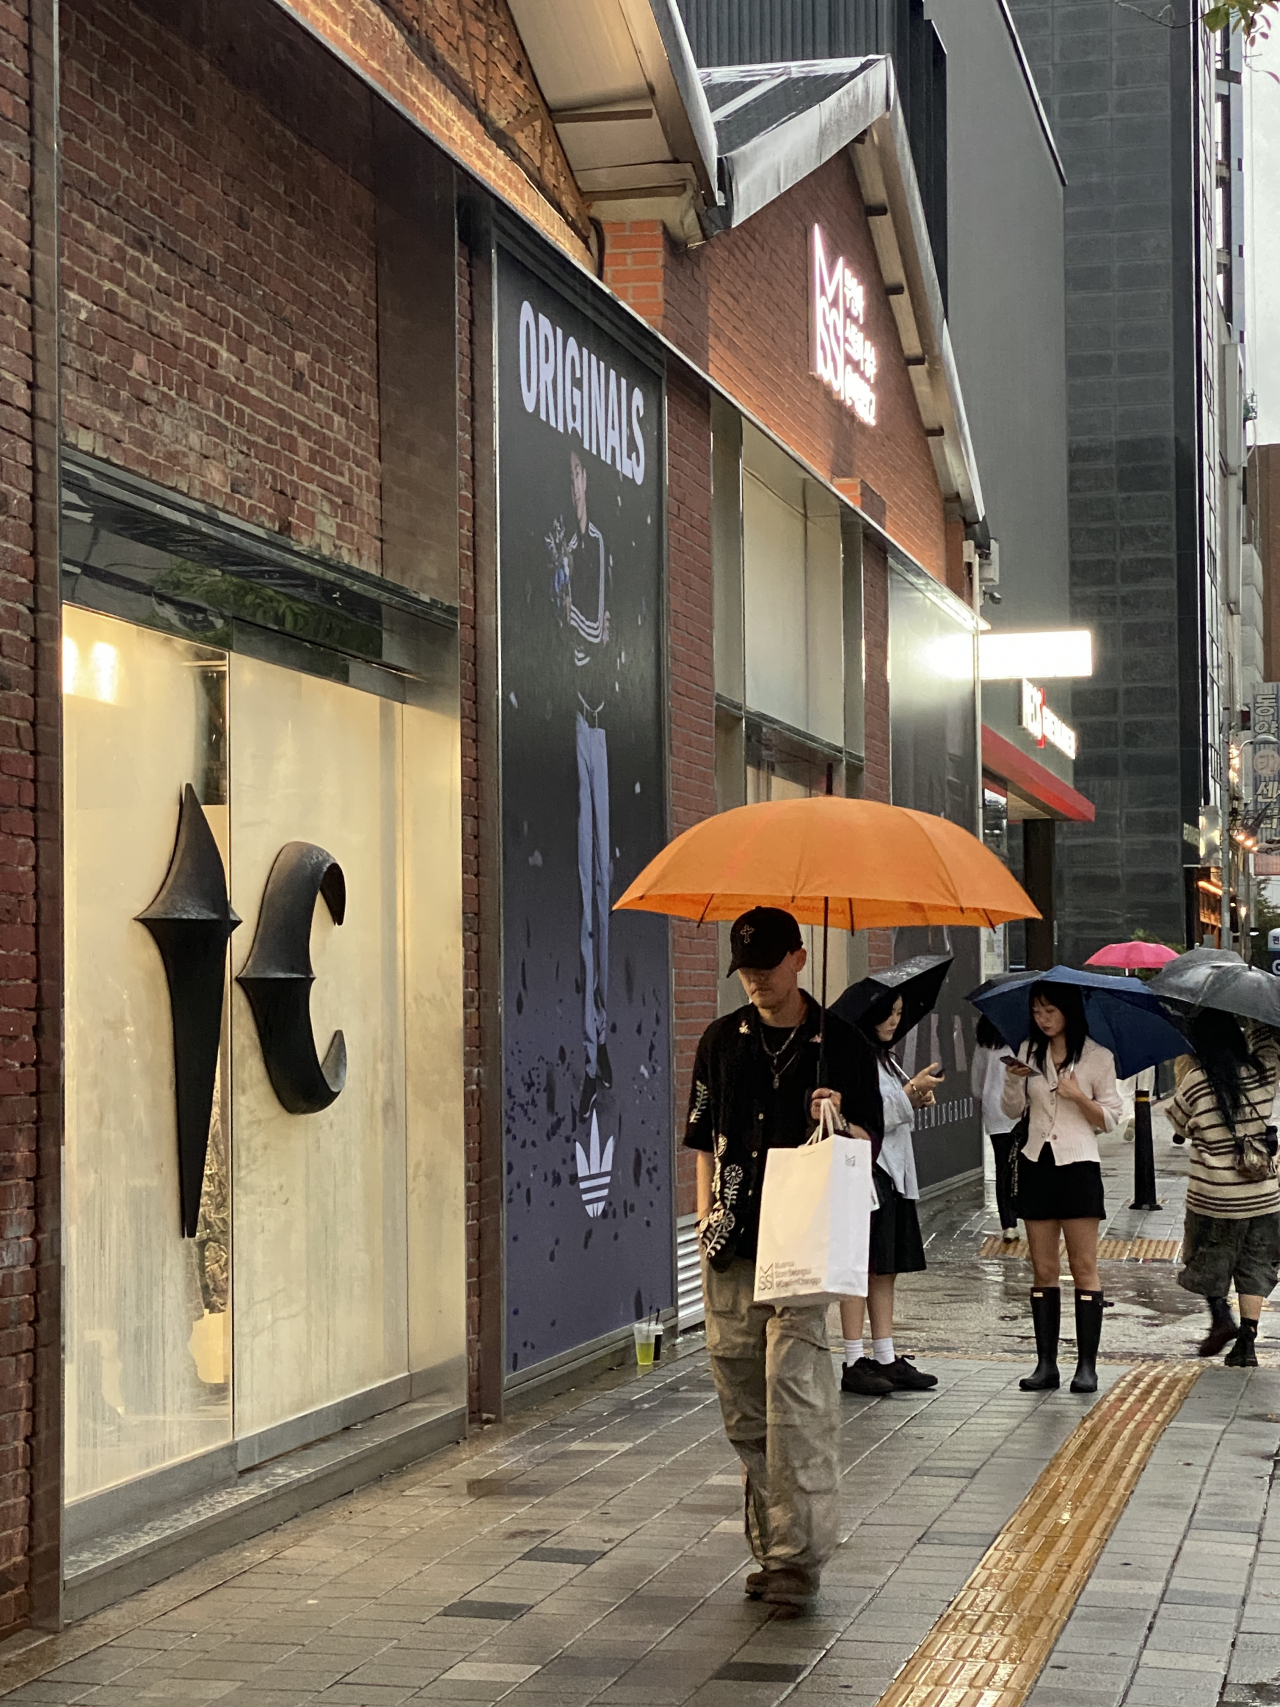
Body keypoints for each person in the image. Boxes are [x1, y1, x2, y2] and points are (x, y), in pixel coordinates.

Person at [685, 906, 882, 1612]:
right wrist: (705, 1214)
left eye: (767, 968)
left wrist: (837, 1116)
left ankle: (797, 1558)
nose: (756, 982)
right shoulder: (719, 1041)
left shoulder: (843, 1045)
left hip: (801, 1246)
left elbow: (868, 1148)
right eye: (745, 971)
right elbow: (704, 1140)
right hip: (732, 1245)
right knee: (744, 1405)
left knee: (793, 1396)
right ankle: (774, 1545)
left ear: (799, 959)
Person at [1002, 982, 1123, 1394]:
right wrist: (1013, 1080)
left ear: (1069, 1010)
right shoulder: (1027, 1053)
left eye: (1050, 1010)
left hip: (1078, 1167)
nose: (1043, 1018)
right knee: (1043, 1268)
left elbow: (1111, 1119)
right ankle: (1046, 1365)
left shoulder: (1097, 1057)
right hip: (1038, 1164)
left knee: (1084, 1266)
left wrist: (1078, 1096)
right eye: (1037, 1011)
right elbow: (1011, 1110)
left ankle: (1086, 1366)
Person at [838, 991, 943, 1396]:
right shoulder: (852, 1057)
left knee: (885, 1266)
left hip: (894, 1170)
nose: (894, 1021)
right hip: (867, 1169)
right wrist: (908, 1094)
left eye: (899, 1013)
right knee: (859, 1266)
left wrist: (914, 1095)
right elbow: (867, 1115)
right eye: (887, 1013)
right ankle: (852, 1359)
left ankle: (885, 1355)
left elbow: (894, 1107)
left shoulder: (886, 1057)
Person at [1170, 1009, 1280, 1366]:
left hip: (1213, 1196)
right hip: (1263, 1194)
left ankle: (1221, 1317)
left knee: (1205, 1258)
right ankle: (1246, 1343)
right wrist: (1259, 1019)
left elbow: (1179, 1124)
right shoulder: (1264, 1071)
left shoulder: (1198, 1079)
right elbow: (1270, 1045)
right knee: (1256, 1264)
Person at [556, 450, 612, 1120]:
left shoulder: (591, 547)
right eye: (566, 477)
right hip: (574, 721)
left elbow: (592, 632)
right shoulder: (563, 547)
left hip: (597, 725)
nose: (573, 488)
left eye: (579, 476)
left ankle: (601, 1043)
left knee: (600, 883)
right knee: (580, 885)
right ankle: (588, 1042)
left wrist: (567, 604)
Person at [972, 1014, 1020, 1241]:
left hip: (994, 1110)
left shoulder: (984, 1045)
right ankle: (1023, 1211)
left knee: (1003, 1167)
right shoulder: (1020, 1042)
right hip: (1020, 1110)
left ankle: (1008, 1223)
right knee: (1023, 1164)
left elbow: (976, 1085)